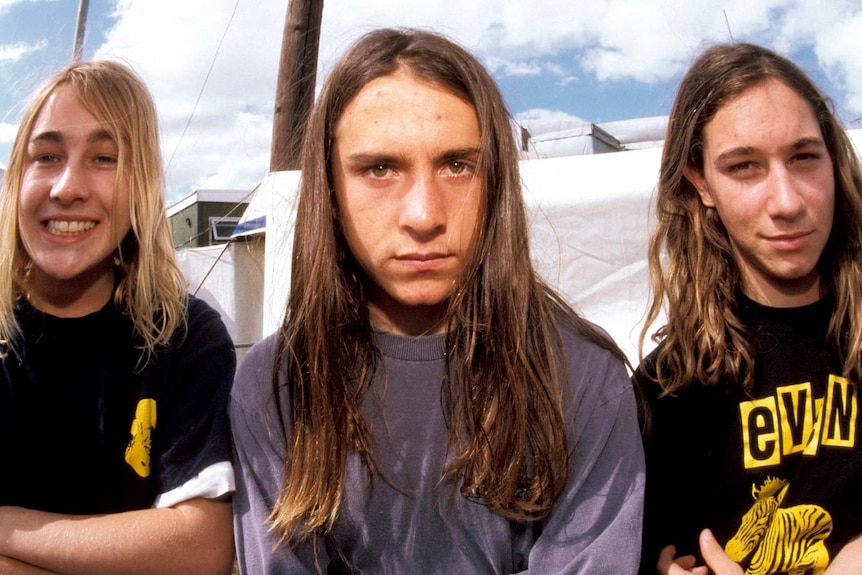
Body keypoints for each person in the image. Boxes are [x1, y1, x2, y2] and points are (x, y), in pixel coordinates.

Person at [230, 27, 644, 574]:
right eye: (380, 169)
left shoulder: (586, 378)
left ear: (497, 181)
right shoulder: (275, 384)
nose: (424, 215)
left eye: (457, 165)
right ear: (330, 192)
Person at [0, 60, 236, 574]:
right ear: (16, 177)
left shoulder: (185, 337)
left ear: (143, 186)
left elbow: (201, 549)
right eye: (47, 156)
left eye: (105, 158)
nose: (68, 186)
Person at [635, 42, 862, 575]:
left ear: (833, 157)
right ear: (699, 182)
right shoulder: (666, 393)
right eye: (744, 167)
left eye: (804, 157)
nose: (786, 202)